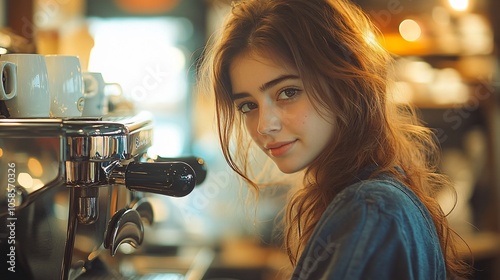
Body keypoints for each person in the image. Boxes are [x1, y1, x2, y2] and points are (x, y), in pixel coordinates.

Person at [197, 0, 472, 279]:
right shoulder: (369, 196)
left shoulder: (370, 207)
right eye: (248, 106)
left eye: (288, 92)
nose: (265, 125)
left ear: (345, 84)